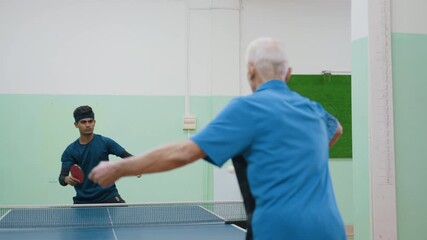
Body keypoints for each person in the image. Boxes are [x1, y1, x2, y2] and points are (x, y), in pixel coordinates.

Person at [89, 37, 346, 239]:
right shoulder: (312, 109)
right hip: (331, 228)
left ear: (250, 70)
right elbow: (336, 130)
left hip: (279, 230)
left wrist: (119, 167)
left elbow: (183, 153)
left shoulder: (248, 108)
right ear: (288, 73)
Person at [58, 105, 132, 204]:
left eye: (90, 121)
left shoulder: (105, 142)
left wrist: (139, 166)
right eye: (83, 122)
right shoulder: (70, 151)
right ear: (76, 124)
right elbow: (62, 179)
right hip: (83, 201)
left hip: (109, 196)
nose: (88, 125)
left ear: (94, 122)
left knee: (125, 218)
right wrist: (66, 179)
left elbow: (128, 157)